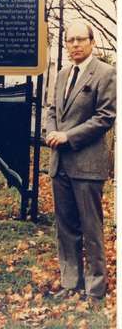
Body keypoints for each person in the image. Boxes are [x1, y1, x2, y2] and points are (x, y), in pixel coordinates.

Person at [46, 21, 116, 302]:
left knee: (91, 228)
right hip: (60, 163)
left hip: (87, 164)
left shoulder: (106, 73)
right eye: (70, 40)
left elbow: (105, 117)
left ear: (92, 42)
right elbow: (52, 109)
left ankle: (96, 288)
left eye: (80, 39)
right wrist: (50, 130)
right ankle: (71, 282)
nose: (75, 44)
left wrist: (67, 136)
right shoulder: (62, 74)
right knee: (66, 228)